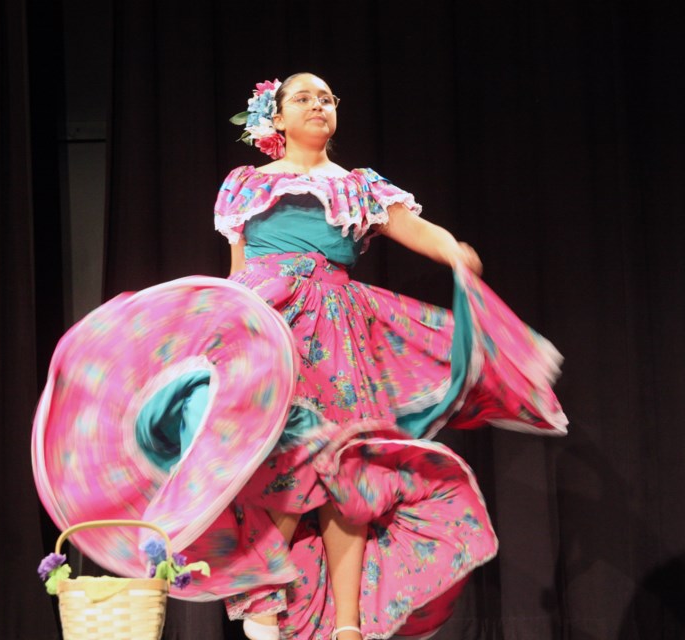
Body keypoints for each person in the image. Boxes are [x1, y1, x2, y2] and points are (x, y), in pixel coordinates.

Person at [31, 73, 566, 640]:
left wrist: (452, 250)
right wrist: (218, 335)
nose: (319, 105)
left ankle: (348, 627)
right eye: (304, 98)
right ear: (276, 120)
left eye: (328, 99)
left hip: (338, 329)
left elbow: (414, 227)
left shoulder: (360, 187)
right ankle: (264, 603)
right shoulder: (245, 184)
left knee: (343, 464)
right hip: (269, 327)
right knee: (280, 464)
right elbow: (235, 271)